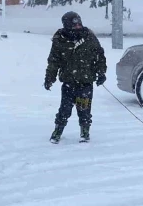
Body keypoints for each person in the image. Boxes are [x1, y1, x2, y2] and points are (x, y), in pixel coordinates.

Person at [44, 11, 107, 143]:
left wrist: (101, 73)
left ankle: (85, 131)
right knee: (64, 109)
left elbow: (99, 55)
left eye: (79, 23)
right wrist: (50, 78)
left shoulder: (89, 36)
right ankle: (58, 130)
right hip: (68, 82)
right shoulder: (59, 39)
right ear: (66, 25)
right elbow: (53, 61)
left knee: (84, 109)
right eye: (74, 24)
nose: (78, 26)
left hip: (85, 82)